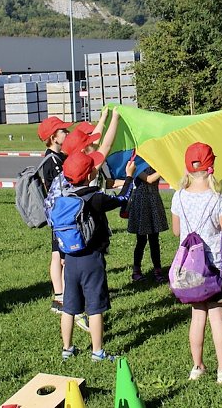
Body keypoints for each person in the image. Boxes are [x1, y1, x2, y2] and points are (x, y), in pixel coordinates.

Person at [172, 143, 222, 384]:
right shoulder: (218, 200)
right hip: (214, 268)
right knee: (217, 317)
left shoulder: (178, 196)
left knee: (197, 317)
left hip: (190, 270)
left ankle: (197, 366)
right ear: (211, 167)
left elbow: (176, 231)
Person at [57, 150, 135, 362]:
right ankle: (97, 351)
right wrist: (129, 177)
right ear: (90, 174)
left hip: (70, 258)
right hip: (92, 259)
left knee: (69, 306)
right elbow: (123, 198)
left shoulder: (64, 196)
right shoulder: (96, 198)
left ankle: (67, 349)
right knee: (95, 306)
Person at [37, 116, 72, 315]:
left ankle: (61, 294)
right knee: (59, 256)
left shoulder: (60, 157)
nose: (66, 134)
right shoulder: (51, 160)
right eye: (63, 132)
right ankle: (60, 295)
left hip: (60, 212)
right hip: (60, 212)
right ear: (53, 137)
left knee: (58, 254)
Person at [127, 165, 168, 282]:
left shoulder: (155, 162)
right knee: (141, 240)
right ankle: (136, 271)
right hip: (142, 204)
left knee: (154, 240)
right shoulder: (137, 164)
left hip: (153, 202)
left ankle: (158, 270)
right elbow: (149, 179)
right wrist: (164, 169)